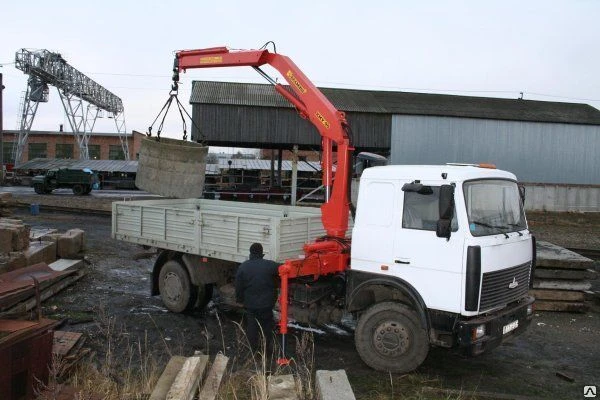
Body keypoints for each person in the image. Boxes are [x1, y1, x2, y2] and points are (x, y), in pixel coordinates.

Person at [235, 243, 280, 353]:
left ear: (250, 253)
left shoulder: (243, 267)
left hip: (251, 304)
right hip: (267, 304)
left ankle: (253, 351)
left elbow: (239, 286)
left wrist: (240, 300)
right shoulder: (270, 265)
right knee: (267, 326)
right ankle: (267, 350)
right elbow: (280, 269)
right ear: (261, 252)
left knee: (252, 327)